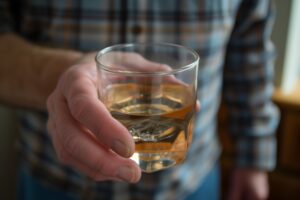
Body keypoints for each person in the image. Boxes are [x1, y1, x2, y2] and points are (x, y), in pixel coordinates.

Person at [0, 0, 279, 199]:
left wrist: (254, 158)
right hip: (55, 180)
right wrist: (60, 76)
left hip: (193, 180)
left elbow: (250, 43)